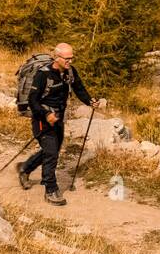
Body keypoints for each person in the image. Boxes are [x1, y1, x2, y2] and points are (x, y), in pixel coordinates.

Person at [16, 43, 105, 205]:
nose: (70, 61)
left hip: (59, 118)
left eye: (72, 58)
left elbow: (79, 88)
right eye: (67, 58)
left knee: (52, 150)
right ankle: (51, 190)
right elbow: (33, 100)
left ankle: (25, 168)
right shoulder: (43, 75)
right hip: (42, 119)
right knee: (51, 153)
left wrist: (89, 101)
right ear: (57, 57)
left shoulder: (70, 71)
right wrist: (46, 114)